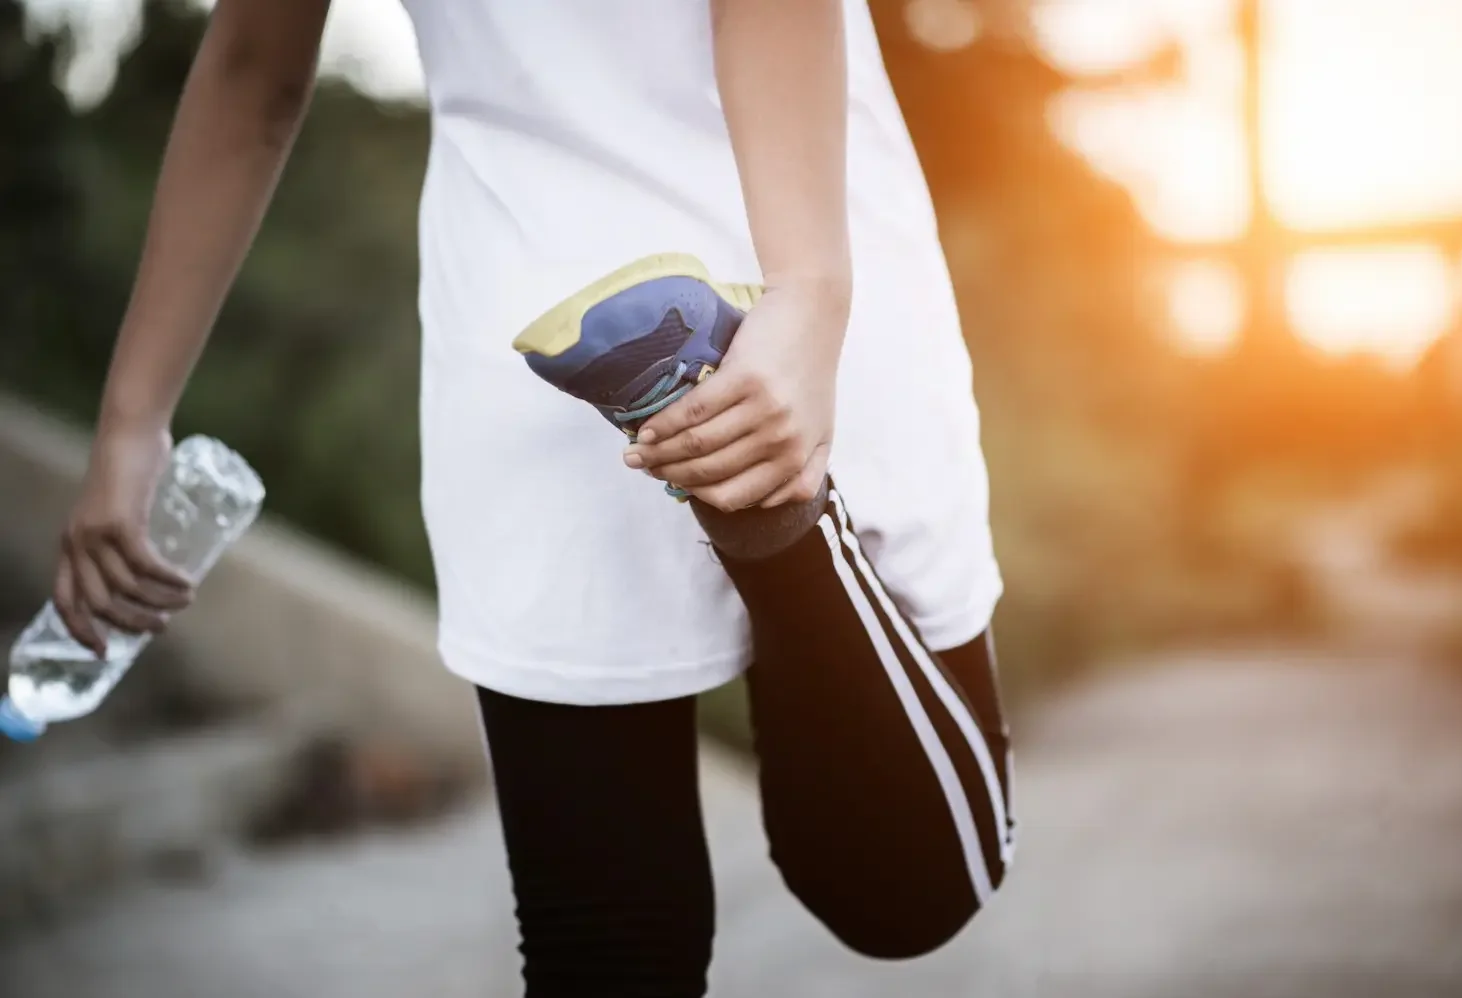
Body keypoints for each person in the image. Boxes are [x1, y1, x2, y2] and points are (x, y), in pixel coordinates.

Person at [51, 0, 1016, 994]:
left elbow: (255, 69)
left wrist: (808, 295)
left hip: (695, 296)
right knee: (686, 933)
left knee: (703, 931)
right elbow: (258, 56)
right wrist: (129, 421)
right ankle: (764, 499)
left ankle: (763, 507)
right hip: (659, 308)